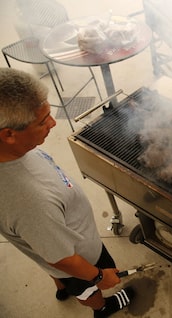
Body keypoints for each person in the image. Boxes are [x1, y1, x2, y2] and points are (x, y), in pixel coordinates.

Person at [0, 67, 134, 317]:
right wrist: (98, 276)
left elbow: (43, 245)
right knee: (86, 290)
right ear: (8, 134)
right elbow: (60, 259)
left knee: (46, 255)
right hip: (80, 261)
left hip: (50, 243)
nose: (53, 123)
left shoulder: (13, 153)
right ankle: (101, 308)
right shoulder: (29, 201)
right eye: (42, 122)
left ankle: (61, 286)